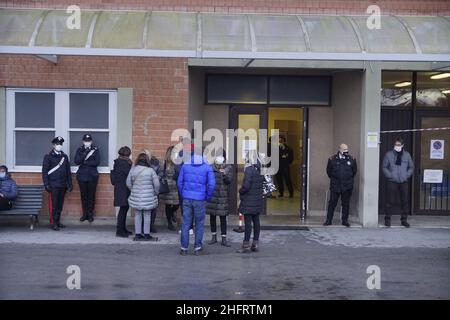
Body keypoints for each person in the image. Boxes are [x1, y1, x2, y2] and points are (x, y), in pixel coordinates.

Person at [177, 147, 215, 256]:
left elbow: (179, 183)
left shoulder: (185, 165)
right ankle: (198, 248)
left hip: (187, 198)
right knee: (199, 223)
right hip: (200, 199)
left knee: (185, 224)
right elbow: (212, 185)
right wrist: (207, 196)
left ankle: (184, 248)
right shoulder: (207, 167)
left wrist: (183, 194)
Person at [126, 153, 160, 241]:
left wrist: (134, 190)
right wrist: (155, 193)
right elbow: (157, 184)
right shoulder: (150, 171)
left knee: (137, 214)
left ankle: (138, 234)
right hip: (149, 196)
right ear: (147, 160)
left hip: (136, 196)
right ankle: (146, 234)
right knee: (147, 214)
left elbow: (128, 183)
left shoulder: (133, 170)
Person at [382, 137, 414, 228]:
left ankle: (404, 220)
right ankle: (387, 219)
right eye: (396, 144)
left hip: (403, 181)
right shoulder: (389, 154)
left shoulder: (407, 155)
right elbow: (384, 167)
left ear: (402, 145)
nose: (397, 146)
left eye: (399, 145)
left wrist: (406, 175)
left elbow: (411, 167)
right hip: (392, 181)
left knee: (404, 201)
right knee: (390, 201)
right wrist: (390, 175)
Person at [42, 136, 73, 231]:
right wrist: (46, 184)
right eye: (57, 144)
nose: (59, 146)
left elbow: (68, 171)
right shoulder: (48, 156)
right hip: (53, 185)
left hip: (63, 184)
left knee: (60, 205)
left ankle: (58, 221)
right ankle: (53, 223)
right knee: (54, 205)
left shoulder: (64, 156)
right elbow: (45, 171)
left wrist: (69, 183)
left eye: (60, 144)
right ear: (54, 145)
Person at [237, 150, 264, 254]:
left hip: (248, 200)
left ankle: (246, 245)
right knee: (256, 222)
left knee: (248, 223)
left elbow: (246, 186)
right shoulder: (260, 169)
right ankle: (255, 244)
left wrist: (241, 190)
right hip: (257, 200)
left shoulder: (249, 169)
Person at [323, 143, 357, 227]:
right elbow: (329, 172)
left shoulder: (352, 159)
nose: (346, 151)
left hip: (347, 186)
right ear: (340, 149)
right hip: (335, 185)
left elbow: (354, 172)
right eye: (344, 149)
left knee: (346, 204)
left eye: (347, 149)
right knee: (332, 203)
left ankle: (345, 221)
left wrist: (348, 180)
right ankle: (328, 220)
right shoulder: (332, 159)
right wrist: (336, 179)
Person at [206, 155, 233, 247]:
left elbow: (229, 181)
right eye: (217, 164)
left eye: (220, 164)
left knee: (223, 218)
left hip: (222, 197)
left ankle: (224, 238)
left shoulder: (228, 168)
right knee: (212, 217)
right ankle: (214, 237)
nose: (219, 166)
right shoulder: (210, 168)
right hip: (213, 196)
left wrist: (224, 174)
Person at [74, 134, 100, 223]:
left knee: (91, 196)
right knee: (84, 196)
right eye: (85, 141)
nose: (87, 142)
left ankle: (90, 214)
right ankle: (84, 214)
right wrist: (84, 154)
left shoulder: (95, 150)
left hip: (92, 176)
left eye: (88, 141)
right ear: (83, 141)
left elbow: (97, 162)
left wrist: (85, 162)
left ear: (91, 141)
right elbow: (76, 161)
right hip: (82, 176)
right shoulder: (80, 150)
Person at [111, 146, 133, 238]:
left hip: (122, 189)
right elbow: (129, 174)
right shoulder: (123, 163)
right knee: (123, 210)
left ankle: (123, 228)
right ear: (126, 154)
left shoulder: (119, 162)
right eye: (128, 154)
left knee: (124, 209)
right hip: (123, 189)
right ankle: (120, 230)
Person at [159, 146, 180, 231]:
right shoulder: (164, 163)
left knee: (177, 204)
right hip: (167, 187)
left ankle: (172, 213)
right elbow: (161, 174)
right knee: (168, 205)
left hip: (175, 187)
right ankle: (169, 223)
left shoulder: (178, 162)